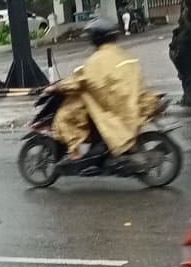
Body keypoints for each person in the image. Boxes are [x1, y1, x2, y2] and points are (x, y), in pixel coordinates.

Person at [50, 18, 159, 168]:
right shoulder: (123, 55)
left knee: (67, 115)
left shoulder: (97, 60)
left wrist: (58, 87)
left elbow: (81, 79)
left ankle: (77, 152)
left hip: (113, 108)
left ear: (95, 38)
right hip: (130, 103)